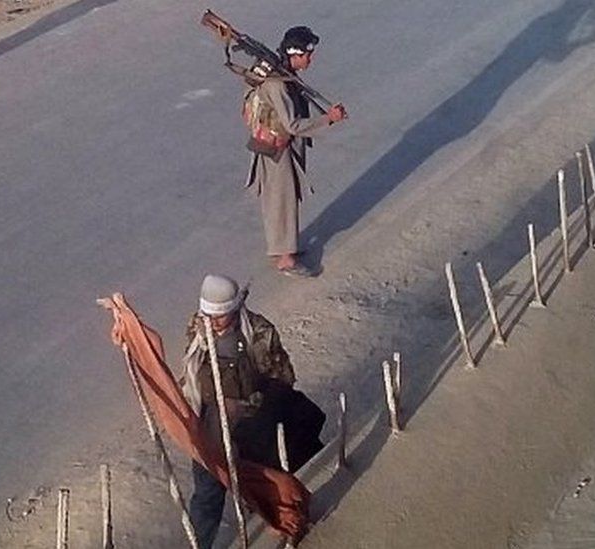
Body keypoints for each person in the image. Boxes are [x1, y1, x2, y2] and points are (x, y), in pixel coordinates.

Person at [181, 275, 324, 549]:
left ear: (235, 310)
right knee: (207, 494)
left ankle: (288, 528)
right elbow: (190, 372)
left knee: (261, 488)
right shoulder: (197, 328)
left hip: (253, 427)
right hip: (211, 426)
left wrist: (247, 407)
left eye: (220, 317)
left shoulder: (259, 333)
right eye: (208, 316)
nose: (212, 323)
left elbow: (282, 381)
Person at [244, 26, 347, 277]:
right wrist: (328, 119)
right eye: (307, 54)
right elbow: (293, 125)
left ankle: (285, 247)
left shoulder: (282, 74)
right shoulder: (278, 85)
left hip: (275, 146)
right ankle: (285, 259)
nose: (310, 59)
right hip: (277, 149)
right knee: (282, 200)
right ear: (295, 53)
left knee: (282, 198)